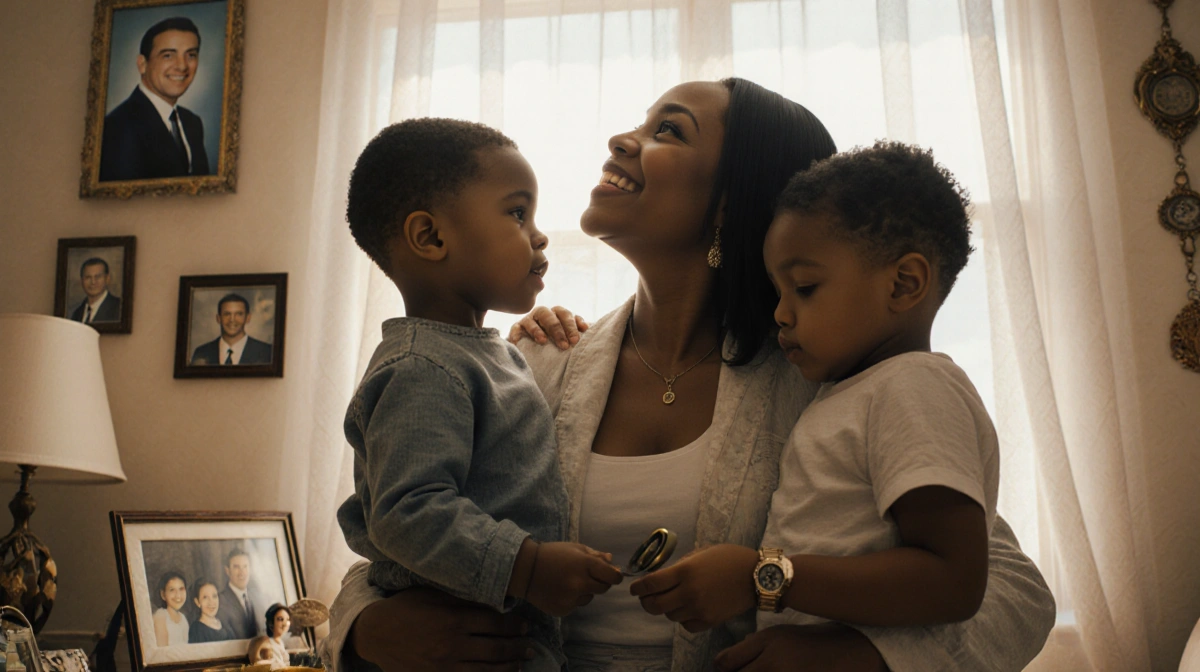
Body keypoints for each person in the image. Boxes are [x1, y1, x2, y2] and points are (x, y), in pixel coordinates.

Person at [321, 79, 1056, 672]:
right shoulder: (536, 364)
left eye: (669, 129)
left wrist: (860, 652)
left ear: (733, 201)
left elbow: (1011, 593)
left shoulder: (826, 383)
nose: (621, 138)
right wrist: (364, 630)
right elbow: (399, 527)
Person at [625, 141, 1002, 641]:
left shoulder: (914, 387)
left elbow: (954, 581)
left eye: (803, 288)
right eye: (777, 291)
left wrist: (761, 576)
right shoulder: (849, 393)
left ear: (903, 284)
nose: (780, 313)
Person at [334, 118, 624, 672]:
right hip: (460, 641)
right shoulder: (422, 366)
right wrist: (529, 566)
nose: (538, 235)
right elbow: (405, 510)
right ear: (431, 237)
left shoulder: (489, 355)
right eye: (518, 213)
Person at [99, 17, 211, 181]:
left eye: (191, 55)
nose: (182, 66)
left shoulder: (192, 123)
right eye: (168, 56)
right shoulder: (118, 127)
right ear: (142, 64)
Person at [190, 294, 273, 366]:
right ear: (218, 318)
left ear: (248, 318)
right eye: (227, 314)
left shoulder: (266, 351)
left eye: (239, 314)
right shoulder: (202, 352)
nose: (232, 319)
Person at [213, 548, 269, 639]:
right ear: (227, 571)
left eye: (245, 566)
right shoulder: (219, 601)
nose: (241, 573)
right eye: (236, 567)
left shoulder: (257, 597)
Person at [68, 258, 122, 324]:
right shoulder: (76, 313)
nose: (93, 282)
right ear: (81, 281)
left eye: (98, 277)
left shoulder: (119, 308)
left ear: (107, 279)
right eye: (88, 277)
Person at [188, 578, 235, 643]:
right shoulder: (196, 629)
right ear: (197, 602)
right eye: (205, 597)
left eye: (214, 596)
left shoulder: (225, 625)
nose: (211, 602)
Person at [151, 571, 189, 647]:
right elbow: (162, 650)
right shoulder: (160, 616)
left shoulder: (183, 619)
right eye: (172, 590)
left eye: (181, 589)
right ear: (163, 594)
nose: (178, 595)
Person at [258, 604, 293, 670]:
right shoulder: (269, 644)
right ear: (271, 622)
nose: (285, 624)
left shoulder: (280, 643)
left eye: (287, 620)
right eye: (280, 619)